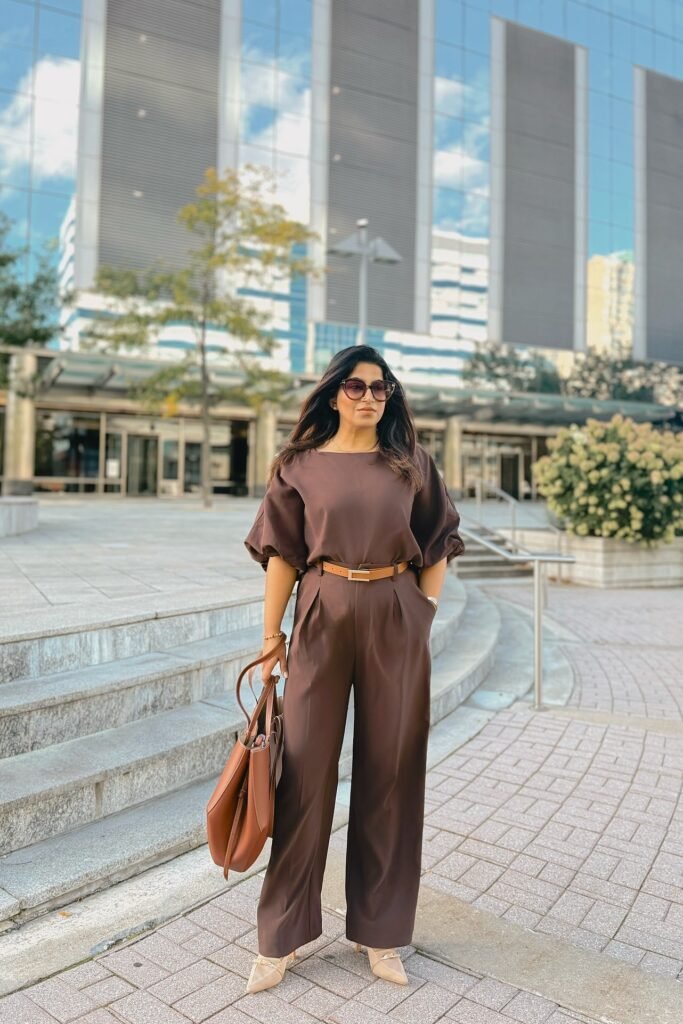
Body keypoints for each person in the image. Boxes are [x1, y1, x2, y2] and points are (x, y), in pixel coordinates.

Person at [241, 345, 465, 994]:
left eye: (381, 387)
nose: (370, 397)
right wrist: (270, 634)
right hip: (322, 608)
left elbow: (438, 540)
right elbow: (281, 552)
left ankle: (382, 931)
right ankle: (279, 936)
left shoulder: (411, 464)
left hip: (394, 612)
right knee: (303, 771)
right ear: (333, 391)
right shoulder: (298, 466)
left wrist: (421, 610)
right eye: (357, 385)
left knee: (391, 770)